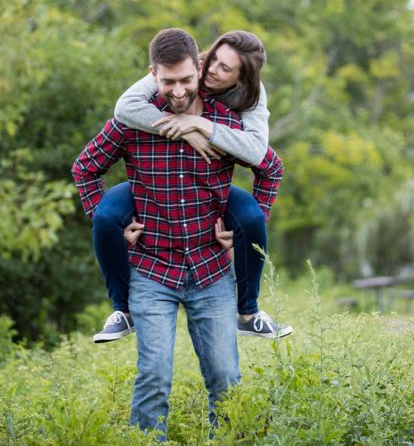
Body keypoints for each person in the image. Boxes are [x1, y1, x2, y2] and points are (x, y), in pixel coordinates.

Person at [72, 28, 285, 439]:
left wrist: (244, 228)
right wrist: (110, 223)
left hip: (211, 271)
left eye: (186, 80)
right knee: (153, 379)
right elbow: (85, 167)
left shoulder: (226, 124)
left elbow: (270, 167)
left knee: (226, 379)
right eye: (167, 81)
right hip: (152, 272)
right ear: (153, 74)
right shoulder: (135, 118)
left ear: (198, 69)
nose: (177, 90)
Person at [89, 30, 292, 343]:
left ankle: (248, 313)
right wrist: (183, 130)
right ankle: (122, 310)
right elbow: (124, 108)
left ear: (241, 78)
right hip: (151, 186)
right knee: (105, 216)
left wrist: (201, 125)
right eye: (213, 60)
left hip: (207, 189)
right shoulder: (177, 73)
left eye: (226, 68)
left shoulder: (248, 100)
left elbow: (260, 156)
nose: (212, 70)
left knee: (250, 217)